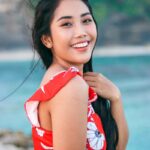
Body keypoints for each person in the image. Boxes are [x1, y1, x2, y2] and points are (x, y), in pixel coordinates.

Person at [24, 0, 129, 149]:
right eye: (66, 24)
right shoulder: (70, 87)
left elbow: (118, 146)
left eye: (86, 20)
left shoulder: (62, 80)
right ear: (47, 39)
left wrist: (116, 98)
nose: (81, 33)